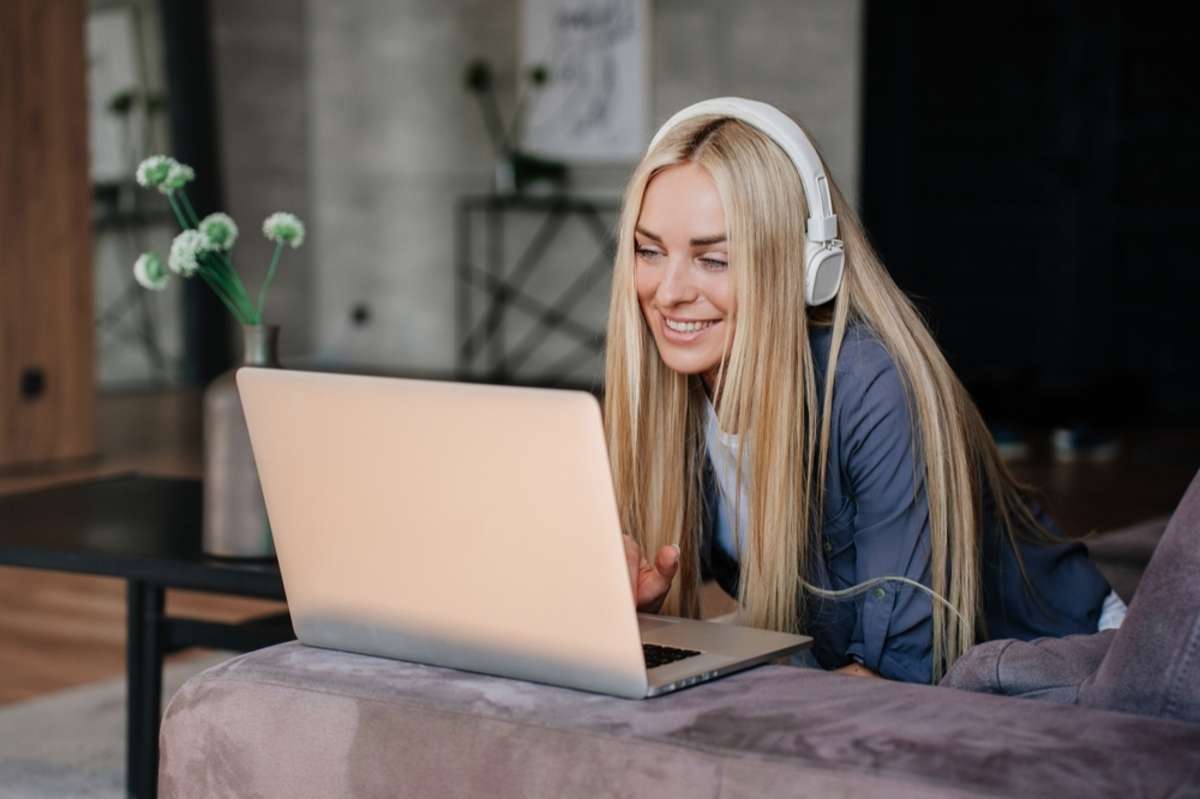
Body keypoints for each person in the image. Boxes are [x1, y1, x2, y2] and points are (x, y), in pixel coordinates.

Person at [605, 97, 1126, 684]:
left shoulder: (874, 386)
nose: (668, 292)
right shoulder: (678, 393)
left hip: (1058, 670)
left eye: (714, 260)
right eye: (650, 251)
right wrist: (636, 613)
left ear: (806, 268)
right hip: (871, 671)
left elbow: (891, 676)